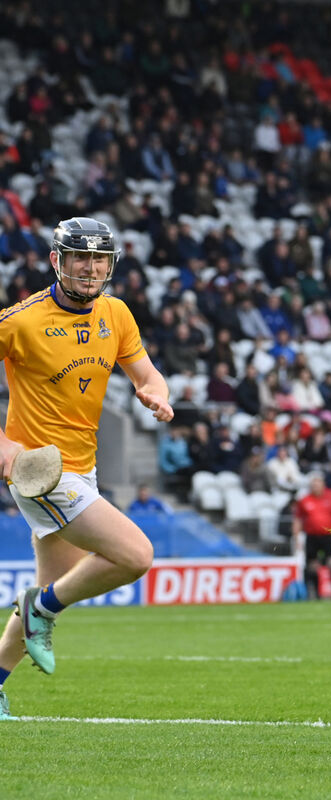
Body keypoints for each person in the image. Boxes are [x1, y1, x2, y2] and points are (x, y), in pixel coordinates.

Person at [0, 217, 174, 720]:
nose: (90, 268)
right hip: (40, 472)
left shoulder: (116, 314)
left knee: (54, 585)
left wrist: (156, 395)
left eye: (100, 259)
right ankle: (41, 608)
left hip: (83, 466)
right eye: (80, 257)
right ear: (57, 261)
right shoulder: (20, 321)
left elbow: (147, 372)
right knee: (136, 555)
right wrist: (5, 445)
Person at [292, 473, 331, 599]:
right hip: (311, 537)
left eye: (318, 484)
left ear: (323, 485)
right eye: (313, 485)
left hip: (328, 536)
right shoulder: (304, 500)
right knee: (312, 566)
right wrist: (296, 538)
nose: (315, 487)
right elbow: (298, 520)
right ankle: (314, 593)